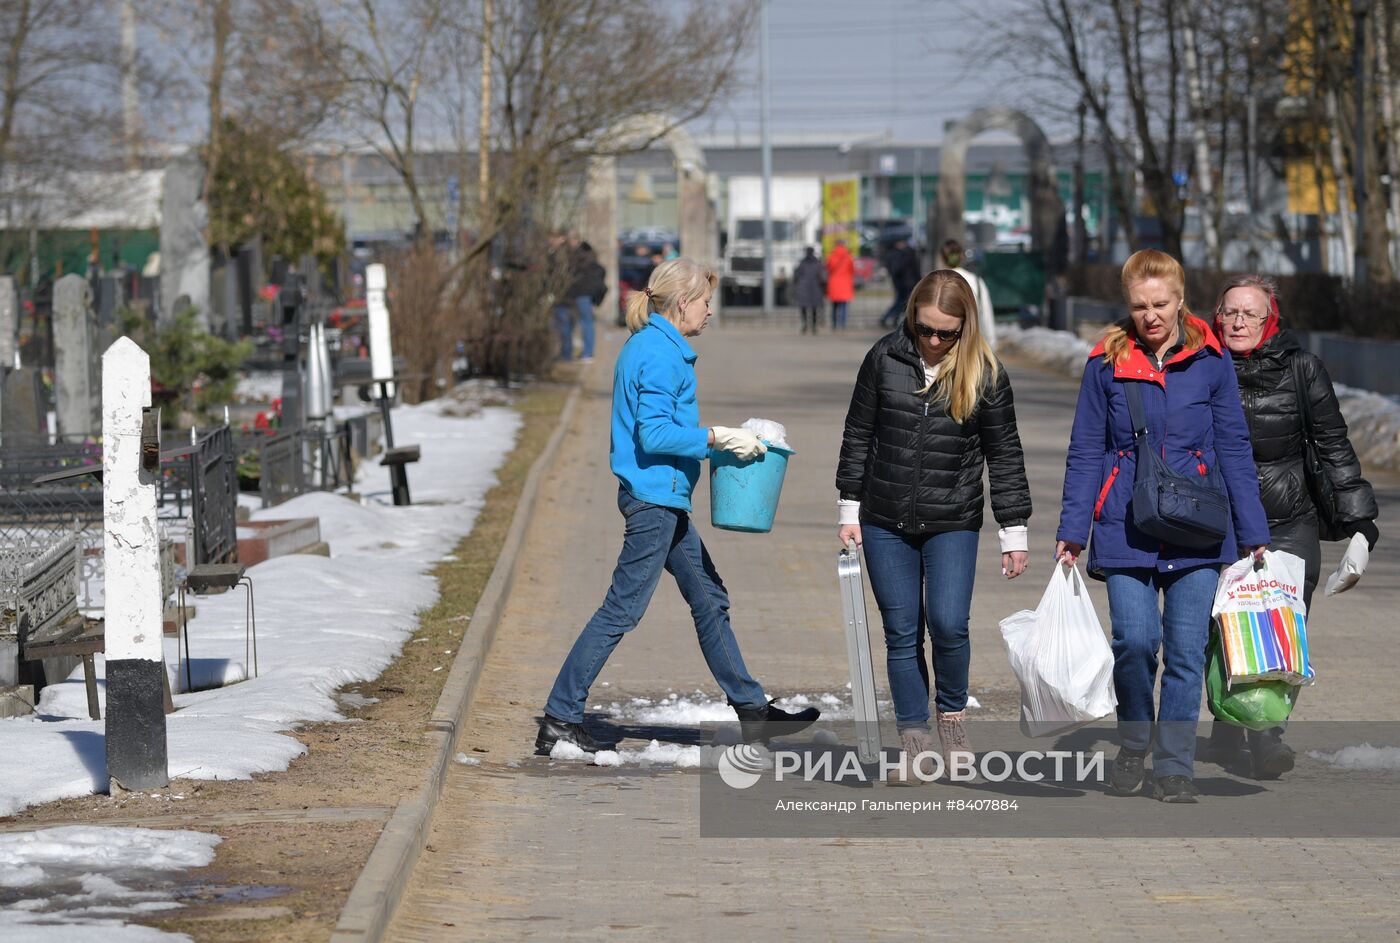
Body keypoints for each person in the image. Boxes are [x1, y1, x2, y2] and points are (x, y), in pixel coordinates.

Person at [537, 257, 821, 755]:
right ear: (684, 303)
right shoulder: (661, 354)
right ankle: (561, 716)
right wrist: (718, 438)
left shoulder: (652, 345)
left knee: (710, 599)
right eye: (707, 303)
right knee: (621, 611)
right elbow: (656, 432)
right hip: (653, 503)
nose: (710, 312)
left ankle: (754, 712)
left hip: (661, 498)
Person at [1055, 249, 1270, 803]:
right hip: (1125, 523)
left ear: (1180, 299)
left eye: (1161, 303)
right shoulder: (1105, 362)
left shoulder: (1212, 359)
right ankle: (1134, 742)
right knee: (1133, 641)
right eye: (1139, 306)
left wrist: (1253, 530)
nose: (1150, 315)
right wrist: (1073, 529)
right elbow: (1085, 450)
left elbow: (1234, 445)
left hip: (1199, 526)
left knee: (1185, 649)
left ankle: (1174, 765)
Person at [836, 270, 1032, 783]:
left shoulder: (985, 372)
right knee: (901, 633)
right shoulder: (884, 358)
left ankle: (952, 722)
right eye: (926, 330)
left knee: (948, 623)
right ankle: (915, 742)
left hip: (954, 520)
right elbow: (858, 432)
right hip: (883, 518)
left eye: (948, 333)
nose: (936, 342)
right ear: (912, 320)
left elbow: (1004, 454)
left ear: (965, 327)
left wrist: (1014, 531)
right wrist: (848, 509)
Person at [1203, 274, 1380, 778]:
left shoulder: (1303, 369)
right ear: (1217, 317)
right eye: (1230, 312)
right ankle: (1227, 722)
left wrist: (1361, 526)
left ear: (1270, 321)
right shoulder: (1199, 366)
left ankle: (1266, 736)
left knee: (1276, 629)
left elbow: (1333, 446)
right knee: (1219, 628)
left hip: (1288, 519)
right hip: (1219, 520)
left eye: (1250, 314)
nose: (1238, 321)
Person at [940, 240, 996, 350]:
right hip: (971, 346)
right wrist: (990, 344)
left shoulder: (934, 281)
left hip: (941, 346)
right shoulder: (976, 281)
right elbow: (986, 315)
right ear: (962, 257)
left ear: (942, 257)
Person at [879, 238, 921, 328]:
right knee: (903, 302)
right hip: (907, 283)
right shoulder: (907, 254)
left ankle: (893, 318)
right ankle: (889, 318)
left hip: (901, 283)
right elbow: (914, 270)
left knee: (901, 302)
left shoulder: (893, 254)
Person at [792, 246, 826, 334]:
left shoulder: (802, 263)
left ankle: (805, 324)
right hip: (815, 288)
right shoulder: (818, 263)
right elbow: (822, 277)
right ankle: (814, 326)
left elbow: (796, 276)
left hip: (803, 288)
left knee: (803, 307)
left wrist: (797, 285)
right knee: (814, 308)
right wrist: (823, 286)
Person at [826, 239, 855, 330]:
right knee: (844, 305)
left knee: (834, 305)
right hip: (845, 283)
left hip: (833, 283)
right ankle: (842, 324)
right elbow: (852, 270)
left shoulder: (831, 256)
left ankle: (834, 324)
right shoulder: (848, 257)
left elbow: (828, 269)